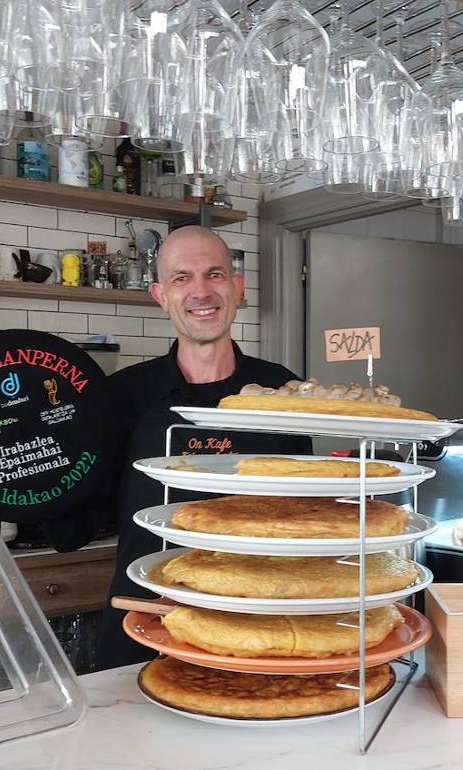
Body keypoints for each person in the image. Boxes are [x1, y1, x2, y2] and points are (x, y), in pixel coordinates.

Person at [49, 225, 310, 671]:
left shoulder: (282, 391)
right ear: (160, 295)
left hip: (253, 620)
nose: (201, 292)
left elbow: (301, 520)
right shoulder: (119, 396)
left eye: (214, 274)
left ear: (237, 287)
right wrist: (36, 473)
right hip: (145, 620)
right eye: (181, 278)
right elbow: (76, 527)